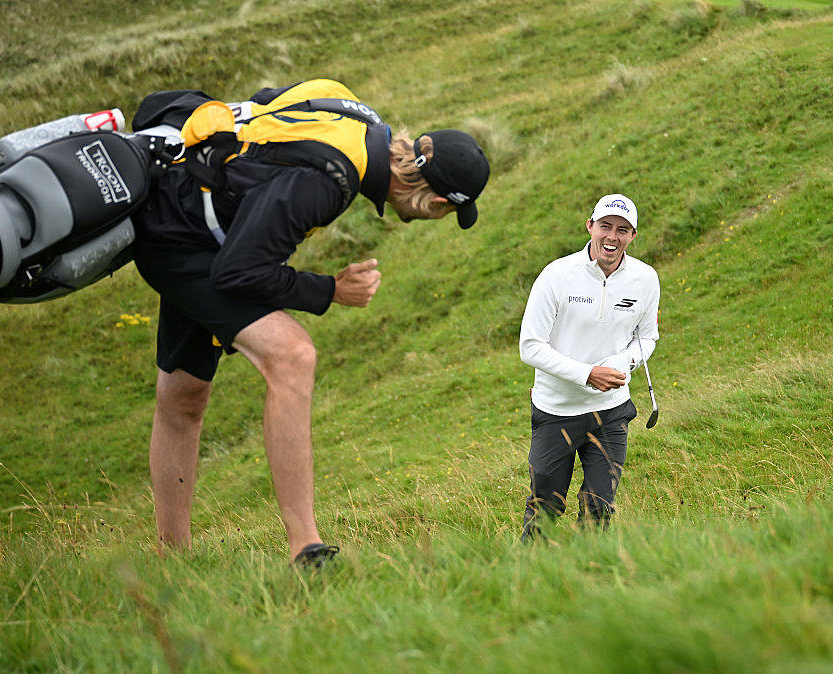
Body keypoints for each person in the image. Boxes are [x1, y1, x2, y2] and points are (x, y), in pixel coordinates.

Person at [129, 79, 490, 565]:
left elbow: (265, 101)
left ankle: (171, 560)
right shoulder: (332, 179)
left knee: (184, 395)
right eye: (445, 213)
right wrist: (330, 290)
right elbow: (240, 273)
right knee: (292, 355)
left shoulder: (354, 113)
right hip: (184, 236)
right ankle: (306, 546)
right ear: (439, 202)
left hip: (189, 207)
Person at [518, 194, 659, 539]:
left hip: (611, 412)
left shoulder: (645, 279)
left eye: (622, 230)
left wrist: (624, 362)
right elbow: (530, 347)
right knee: (544, 507)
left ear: (633, 235)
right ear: (590, 227)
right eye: (606, 226)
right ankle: (525, 579)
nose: (612, 236)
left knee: (599, 507)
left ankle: (590, 574)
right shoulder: (557, 275)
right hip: (557, 412)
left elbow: (648, 337)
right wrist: (587, 374)